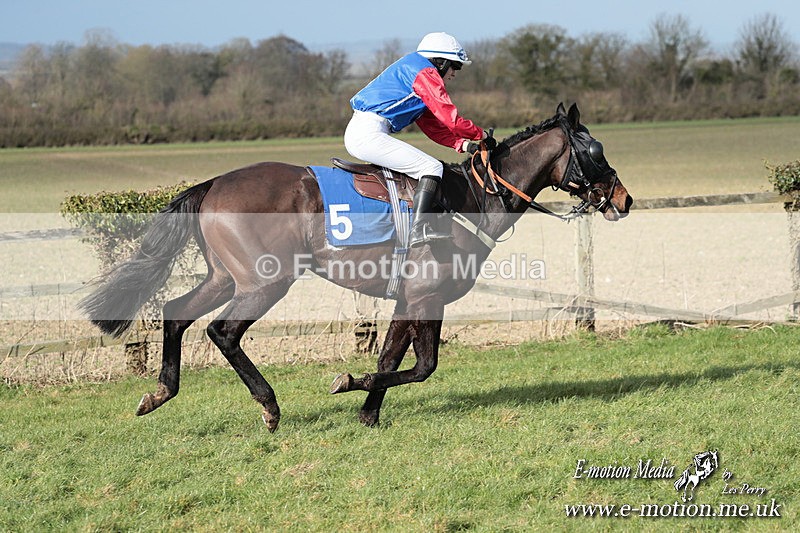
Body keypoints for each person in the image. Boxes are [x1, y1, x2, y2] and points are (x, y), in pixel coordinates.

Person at [344, 32, 495, 247]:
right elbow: (450, 118)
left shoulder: (415, 71)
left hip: (367, 131)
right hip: (368, 133)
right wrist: (481, 135)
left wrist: (462, 144)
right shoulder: (426, 73)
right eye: (455, 66)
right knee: (431, 167)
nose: (455, 73)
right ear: (440, 62)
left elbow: (433, 126)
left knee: (425, 166)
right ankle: (418, 229)